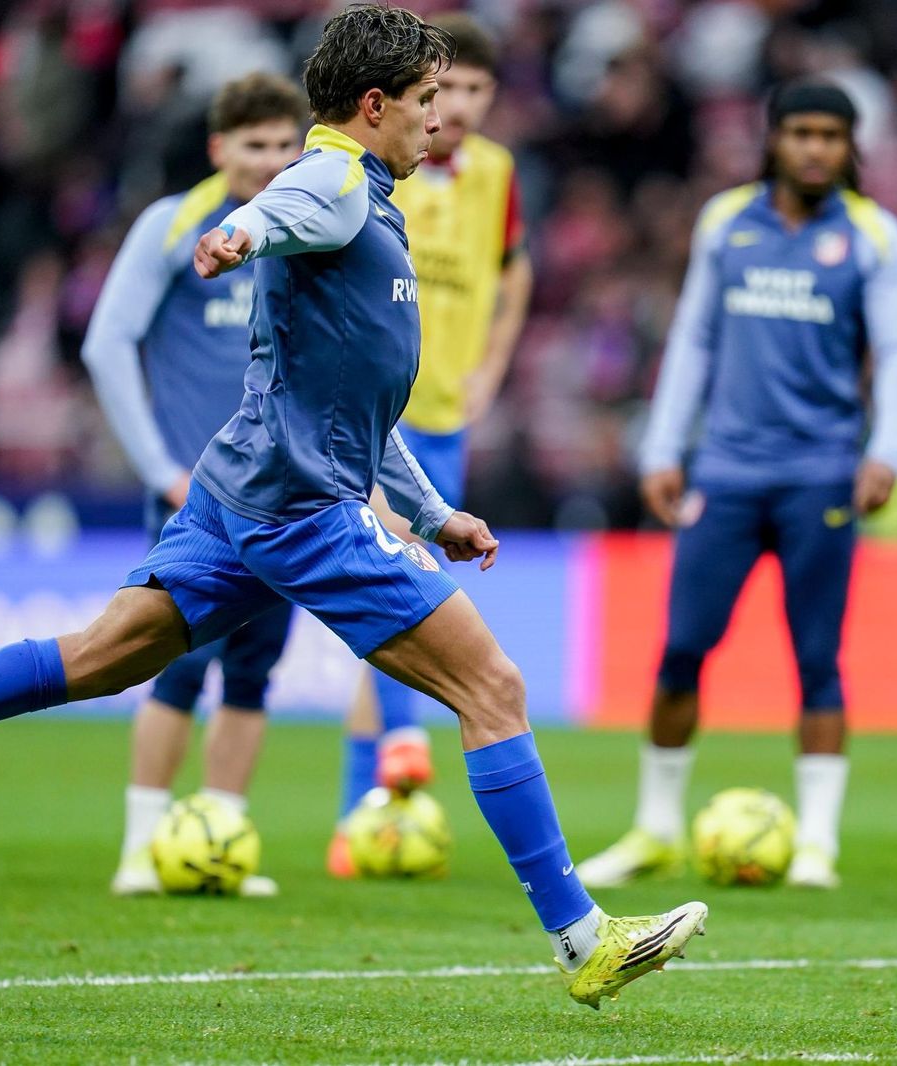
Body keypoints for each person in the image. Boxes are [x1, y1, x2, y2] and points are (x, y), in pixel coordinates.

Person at [0, 5, 705, 1009]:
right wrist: (237, 232)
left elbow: (353, 405)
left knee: (96, 657)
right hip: (301, 508)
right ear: (376, 103)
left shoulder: (372, 194)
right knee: (493, 688)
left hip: (242, 492)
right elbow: (284, 201)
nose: (440, 120)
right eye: (428, 100)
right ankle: (579, 938)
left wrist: (431, 515)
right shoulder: (340, 177)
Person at [576, 80, 897, 892]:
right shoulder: (726, 222)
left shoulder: (875, 237)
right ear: (773, 141)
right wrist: (664, 446)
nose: (815, 149)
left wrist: (889, 450)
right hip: (725, 471)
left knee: (817, 658)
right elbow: (695, 337)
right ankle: (655, 828)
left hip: (821, 472)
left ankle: (816, 847)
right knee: (682, 649)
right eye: (800, 133)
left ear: (850, 147)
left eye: (831, 136)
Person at [79, 73, 307, 897]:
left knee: (253, 672)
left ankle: (218, 838)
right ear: (219, 149)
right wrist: (158, 469)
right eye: (255, 145)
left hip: (284, 495)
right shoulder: (171, 224)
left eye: (287, 145)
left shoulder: (306, 226)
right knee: (172, 663)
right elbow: (108, 346)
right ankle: (142, 847)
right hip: (193, 496)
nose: (273, 160)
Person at [328, 11, 533, 877]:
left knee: (402, 603)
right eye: (452, 90)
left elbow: (513, 267)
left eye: (481, 90)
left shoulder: (495, 174)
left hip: (447, 412)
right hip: (383, 417)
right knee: (398, 584)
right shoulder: (386, 169)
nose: (464, 107)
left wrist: (492, 366)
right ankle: (390, 767)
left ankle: (359, 814)